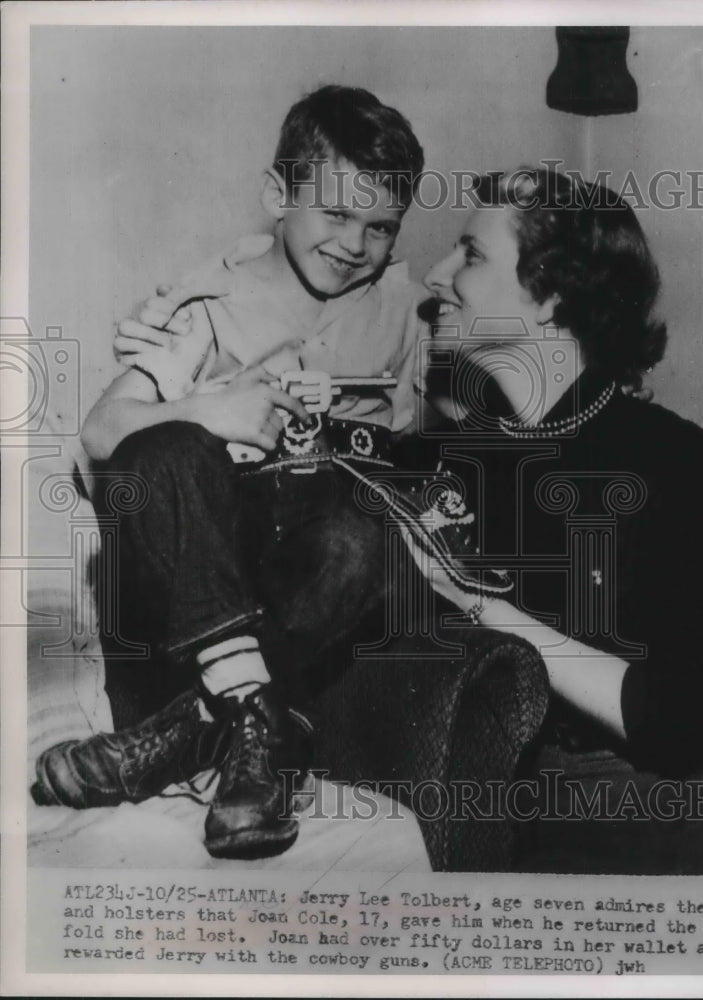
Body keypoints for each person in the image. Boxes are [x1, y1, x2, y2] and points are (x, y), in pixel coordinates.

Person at [31, 85, 427, 861]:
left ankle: (202, 726)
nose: (355, 244)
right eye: (336, 215)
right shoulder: (211, 302)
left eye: (380, 228)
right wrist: (210, 412)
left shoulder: (403, 317)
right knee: (164, 449)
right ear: (278, 195)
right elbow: (103, 432)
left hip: (308, 568)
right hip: (202, 558)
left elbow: (409, 455)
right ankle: (235, 706)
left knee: (365, 532)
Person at [396, 165, 703, 873]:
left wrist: (481, 605)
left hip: (678, 789)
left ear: (552, 299)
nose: (436, 277)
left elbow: (676, 728)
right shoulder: (453, 453)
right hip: (521, 778)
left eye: (470, 254)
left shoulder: (673, 462)